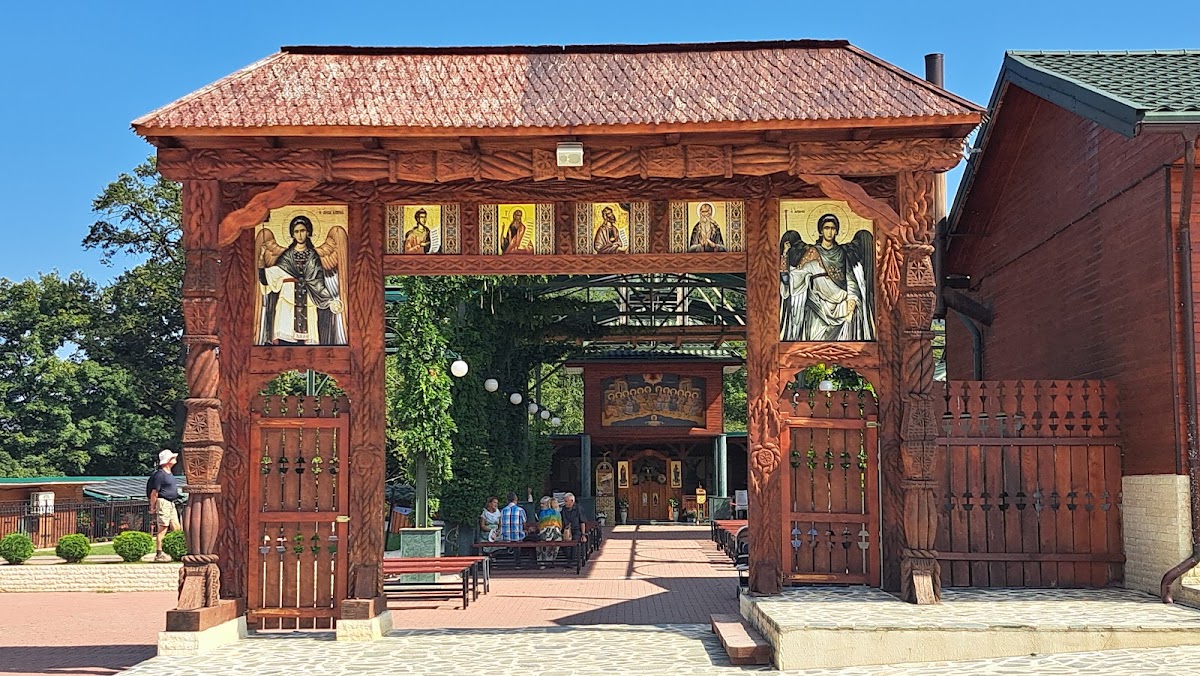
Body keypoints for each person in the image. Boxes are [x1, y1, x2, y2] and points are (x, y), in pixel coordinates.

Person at [779, 214, 875, 341]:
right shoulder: (812, 253)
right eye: (826, 228)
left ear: (836, 231)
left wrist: (851, 303)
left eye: (833, 228)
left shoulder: (842, 253)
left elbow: (851, 280)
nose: (830, 232)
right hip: (817, 309)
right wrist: (785, 254)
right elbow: (791, 280)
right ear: (820, 230)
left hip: (842, 308)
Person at [258, 215, 347, 345]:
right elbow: (267, 279)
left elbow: (317, 283)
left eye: (303, 231)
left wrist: (329, 301)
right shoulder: (287, 256)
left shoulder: (313, 256)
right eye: (296, 231)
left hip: (308, 302)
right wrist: (261, 260)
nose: (300, 235)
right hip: (287, 304)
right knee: (285, 343)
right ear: (292, 234)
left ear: (308, 232)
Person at [146, 449, 182, 562]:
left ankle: (178, 550)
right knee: (163, 528)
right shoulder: (160, 475)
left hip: (171, 503)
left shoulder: (170, 474)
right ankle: (159, 553)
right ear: (167, 461)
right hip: (163, 503)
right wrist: (152, 506)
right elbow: (154, 492)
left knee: (177, 528)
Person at [536, 497, 563, 565]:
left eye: (543, 504)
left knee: (540, 542)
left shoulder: (542, 513)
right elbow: (560, 526)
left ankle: (542, 562)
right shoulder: (557, 513)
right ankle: (551, 560)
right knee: (556, 540)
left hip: (545, 535)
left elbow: (540, 526)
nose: (541, 505)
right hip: (556, 536)